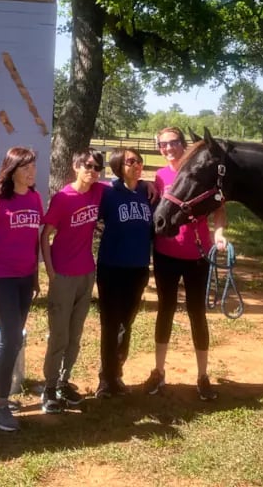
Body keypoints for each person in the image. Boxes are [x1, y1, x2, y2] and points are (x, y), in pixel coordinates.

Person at [144, 126, 227, 401]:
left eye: (173, 143)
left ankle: (202, 375)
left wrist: (219, 234)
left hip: (197, 255)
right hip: (166, 252)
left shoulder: (200, 172)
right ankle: (158, 370)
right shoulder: (159, 176)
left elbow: (218, 208)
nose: (168, 148)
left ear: (183, 144)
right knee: (165, 310)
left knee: (196, 313)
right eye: (163, 144)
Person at [0, 146, 43, 432]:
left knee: (12, 338)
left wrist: (37, 276)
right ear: (11, 170)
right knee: (11, 335)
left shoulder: (36, 198)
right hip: (1, 278)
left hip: (25, 279)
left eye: (32, 167)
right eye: (25, 167)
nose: (30, 172)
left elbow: (34, 241)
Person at [40, 148, 106, 413]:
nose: (92, 171)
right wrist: (50, 270)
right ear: (76, 166)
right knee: (59, 334)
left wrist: (151, 187)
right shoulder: (63, 198)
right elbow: (45, 235)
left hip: (86, 273)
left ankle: (64, 382)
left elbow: (124, 186)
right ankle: (49, 387)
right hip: (64, 275)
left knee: (75, 334)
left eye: (97, 167)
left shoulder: (99, 191)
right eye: (87, 166)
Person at [95, 147, 154, 398]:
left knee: (126, 324)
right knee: (110, 323)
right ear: (118, 166)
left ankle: (116, 373)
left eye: (140, 161)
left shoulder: (146, 192)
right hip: (112, 268)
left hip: (138, 269)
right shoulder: (107, 193)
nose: (137, 165)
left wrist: (149, 183)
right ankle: (106, 379)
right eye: (131, 161)